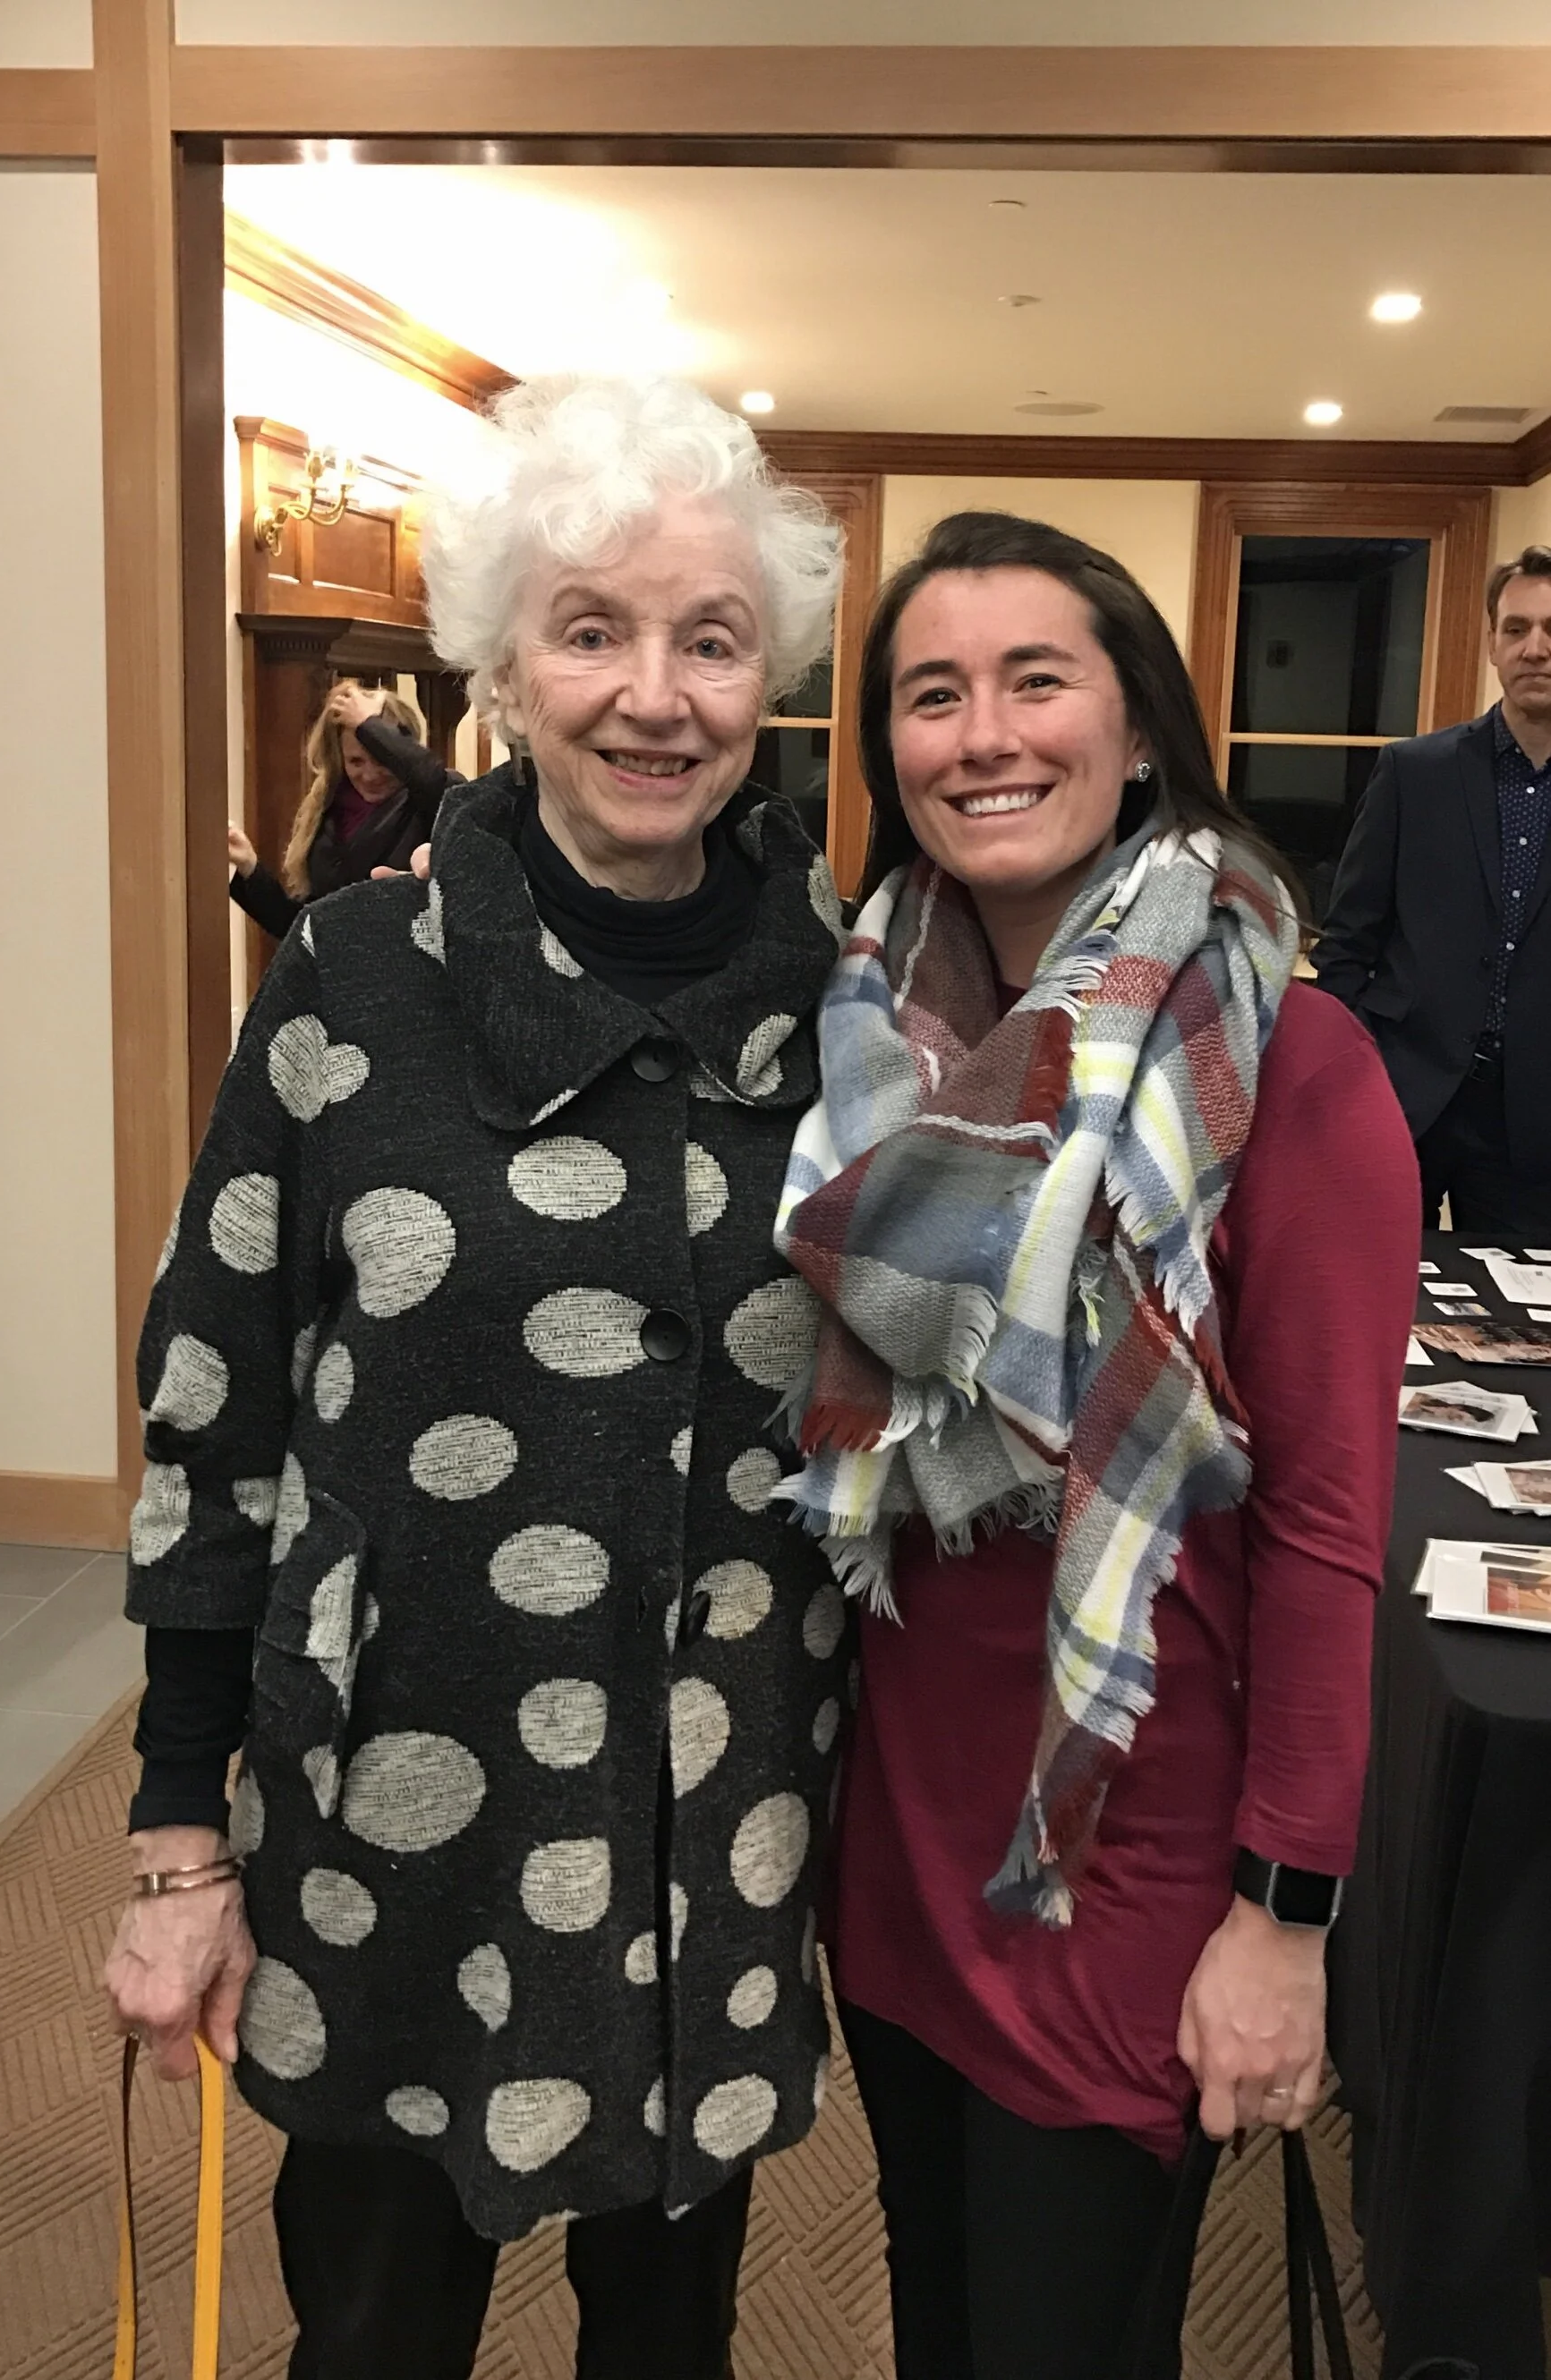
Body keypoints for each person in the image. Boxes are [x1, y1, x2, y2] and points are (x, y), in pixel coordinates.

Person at [104, 374, 848, 2380]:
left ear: (763, 670)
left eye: (707, 639)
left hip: (716, 1819)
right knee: (369, 2332)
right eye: (590, 629)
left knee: (666, 2341)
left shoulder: (850, 1005)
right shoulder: (355, 973)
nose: (654, 694)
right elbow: (217, 1407)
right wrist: (183, 1829)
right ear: (504, 659)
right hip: (399, 1809)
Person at [771, 512, 1419, 2380]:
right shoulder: (849, 1033)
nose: (982, 733)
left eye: (1032, 680)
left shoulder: (1294, 1066)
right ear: (884, 750)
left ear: (1135, 727)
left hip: (1122, 1852)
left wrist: (1282, 1923)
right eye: (930, 693)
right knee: (939, 2320)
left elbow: (1318, 1530)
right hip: (894, 1840)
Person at [1312, 545, 1551, 1241]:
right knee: (1373, 1298)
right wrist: (1345, 1072)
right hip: (1403, 1092)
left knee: (1521, 1329)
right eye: (1515, 629)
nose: (1535, 648)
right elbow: (1348, 940)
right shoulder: (1414, 773)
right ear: (1489, 644)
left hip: (1532, 1123)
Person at [229, 681, 462, 941]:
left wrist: (367, 724)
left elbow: (433, 778)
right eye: (356, 761)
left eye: (382, 758)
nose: (370, 775)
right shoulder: (327, 813)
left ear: (399, 749)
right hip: (340, 979)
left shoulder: (430, 801)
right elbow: (302, 929)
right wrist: (250, 868)